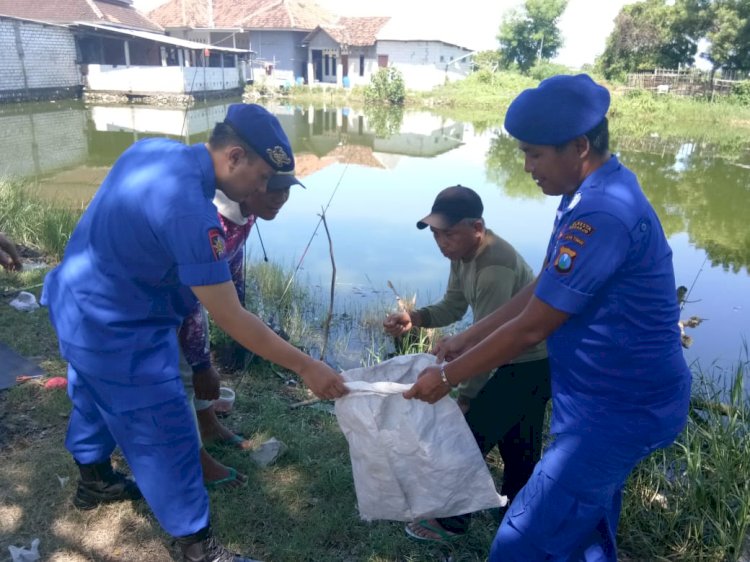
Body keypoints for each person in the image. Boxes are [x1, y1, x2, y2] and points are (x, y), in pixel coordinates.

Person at [41, 103, 348, 562]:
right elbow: (231, 316)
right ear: (235, 156)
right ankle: (197, 548)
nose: (264, 189)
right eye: (263, 177)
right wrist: (305, 364)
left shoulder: (150, 151)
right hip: (120, 331)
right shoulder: (192, 213)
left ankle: (95, 481)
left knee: (92, 397)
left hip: (74, 305)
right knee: (168, 435)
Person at [403, 74, 692, 561]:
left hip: (620, 408)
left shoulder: (601, 213)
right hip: (597, 399)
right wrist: (466, 337)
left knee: (519, 542)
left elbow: (534, 328)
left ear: (579, 146)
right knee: (585, 527)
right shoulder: (588, 193)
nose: (526, 166)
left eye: (535, 154)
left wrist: (449, 376)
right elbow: (544, 289)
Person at [383, 185, 550, 542]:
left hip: (526, 362)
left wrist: (466, 395)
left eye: (450, 234)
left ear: (477, 227)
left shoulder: (494, 267)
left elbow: (494, 343)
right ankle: (520, 514)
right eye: (436, 235)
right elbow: (454, 306)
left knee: (468, 439)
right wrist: (415, 317)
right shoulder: (462, 255)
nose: (442, 242)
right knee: (519, 444)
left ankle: (452, 522)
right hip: (513, 358)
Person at [179, 171, 304, 488]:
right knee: (181, 379)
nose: (281, 198)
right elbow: (191, 301)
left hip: (194, 304)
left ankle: (208, 425)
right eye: (274, 190)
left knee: (198, 365)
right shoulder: (213, 223)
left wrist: (240, 306)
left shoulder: (248, 213)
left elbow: (234, 261)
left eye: (286, 190)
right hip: (169, 307)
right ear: (250, 186)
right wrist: (201, 363)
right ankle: (195, 460)